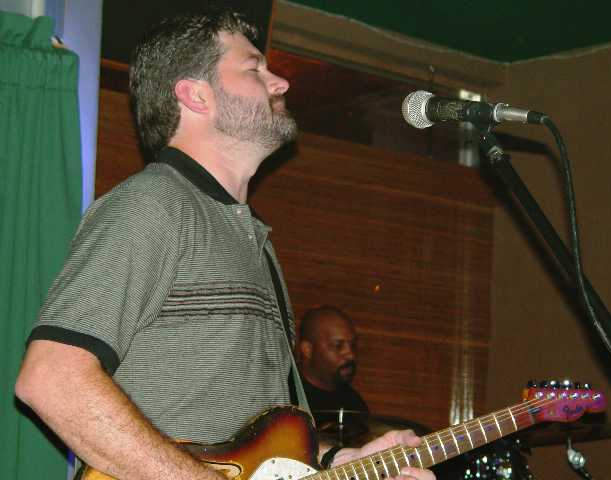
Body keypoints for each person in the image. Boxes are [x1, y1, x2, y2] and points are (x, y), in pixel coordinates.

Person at [14, 8, 435, 480]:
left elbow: (261, 442)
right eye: (255, 68)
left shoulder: (252, 237)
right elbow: (51, 379)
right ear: (196, 94)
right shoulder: (153, 204)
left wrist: (338, 460)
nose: (281, 83)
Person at [298, 305, 368, 414]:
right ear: (307, 350)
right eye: (338, 345)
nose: (351, 355)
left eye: (352, 345)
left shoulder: (354, 405)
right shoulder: (284, 395)